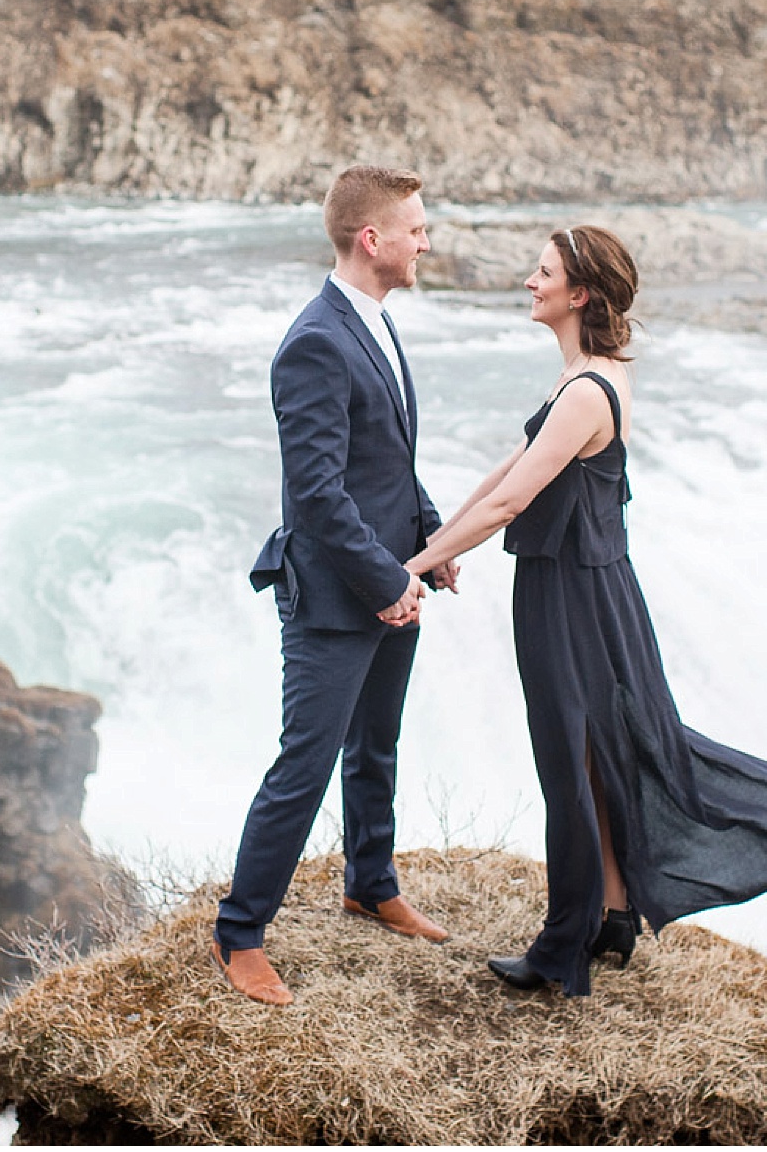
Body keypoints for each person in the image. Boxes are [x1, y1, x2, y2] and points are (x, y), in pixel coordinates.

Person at [402, 225, 767, 996]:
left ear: (578, 293)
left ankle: (562, 947)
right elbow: (506, 470)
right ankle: (611, 914)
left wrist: (406, 568)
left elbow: (514, 499)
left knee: (570, 765)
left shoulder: (584, 393)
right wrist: (441, 543)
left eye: (541, 272)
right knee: (595, 755)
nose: (527, 281)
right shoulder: (585, 375)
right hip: (586, 587)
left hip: (573, 597)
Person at [212, 165, 461, 1007]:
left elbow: (388, 458)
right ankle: (240, 931)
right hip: (333, 593)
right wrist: (386, 578)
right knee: (305, 762)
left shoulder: (380, 324)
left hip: (392, 580)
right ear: (373, 239)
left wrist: (429, 538)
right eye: (416, 227)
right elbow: (316, 493)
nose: (427, 240)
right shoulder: (315, 340)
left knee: (377, 744)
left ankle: (370, 880)